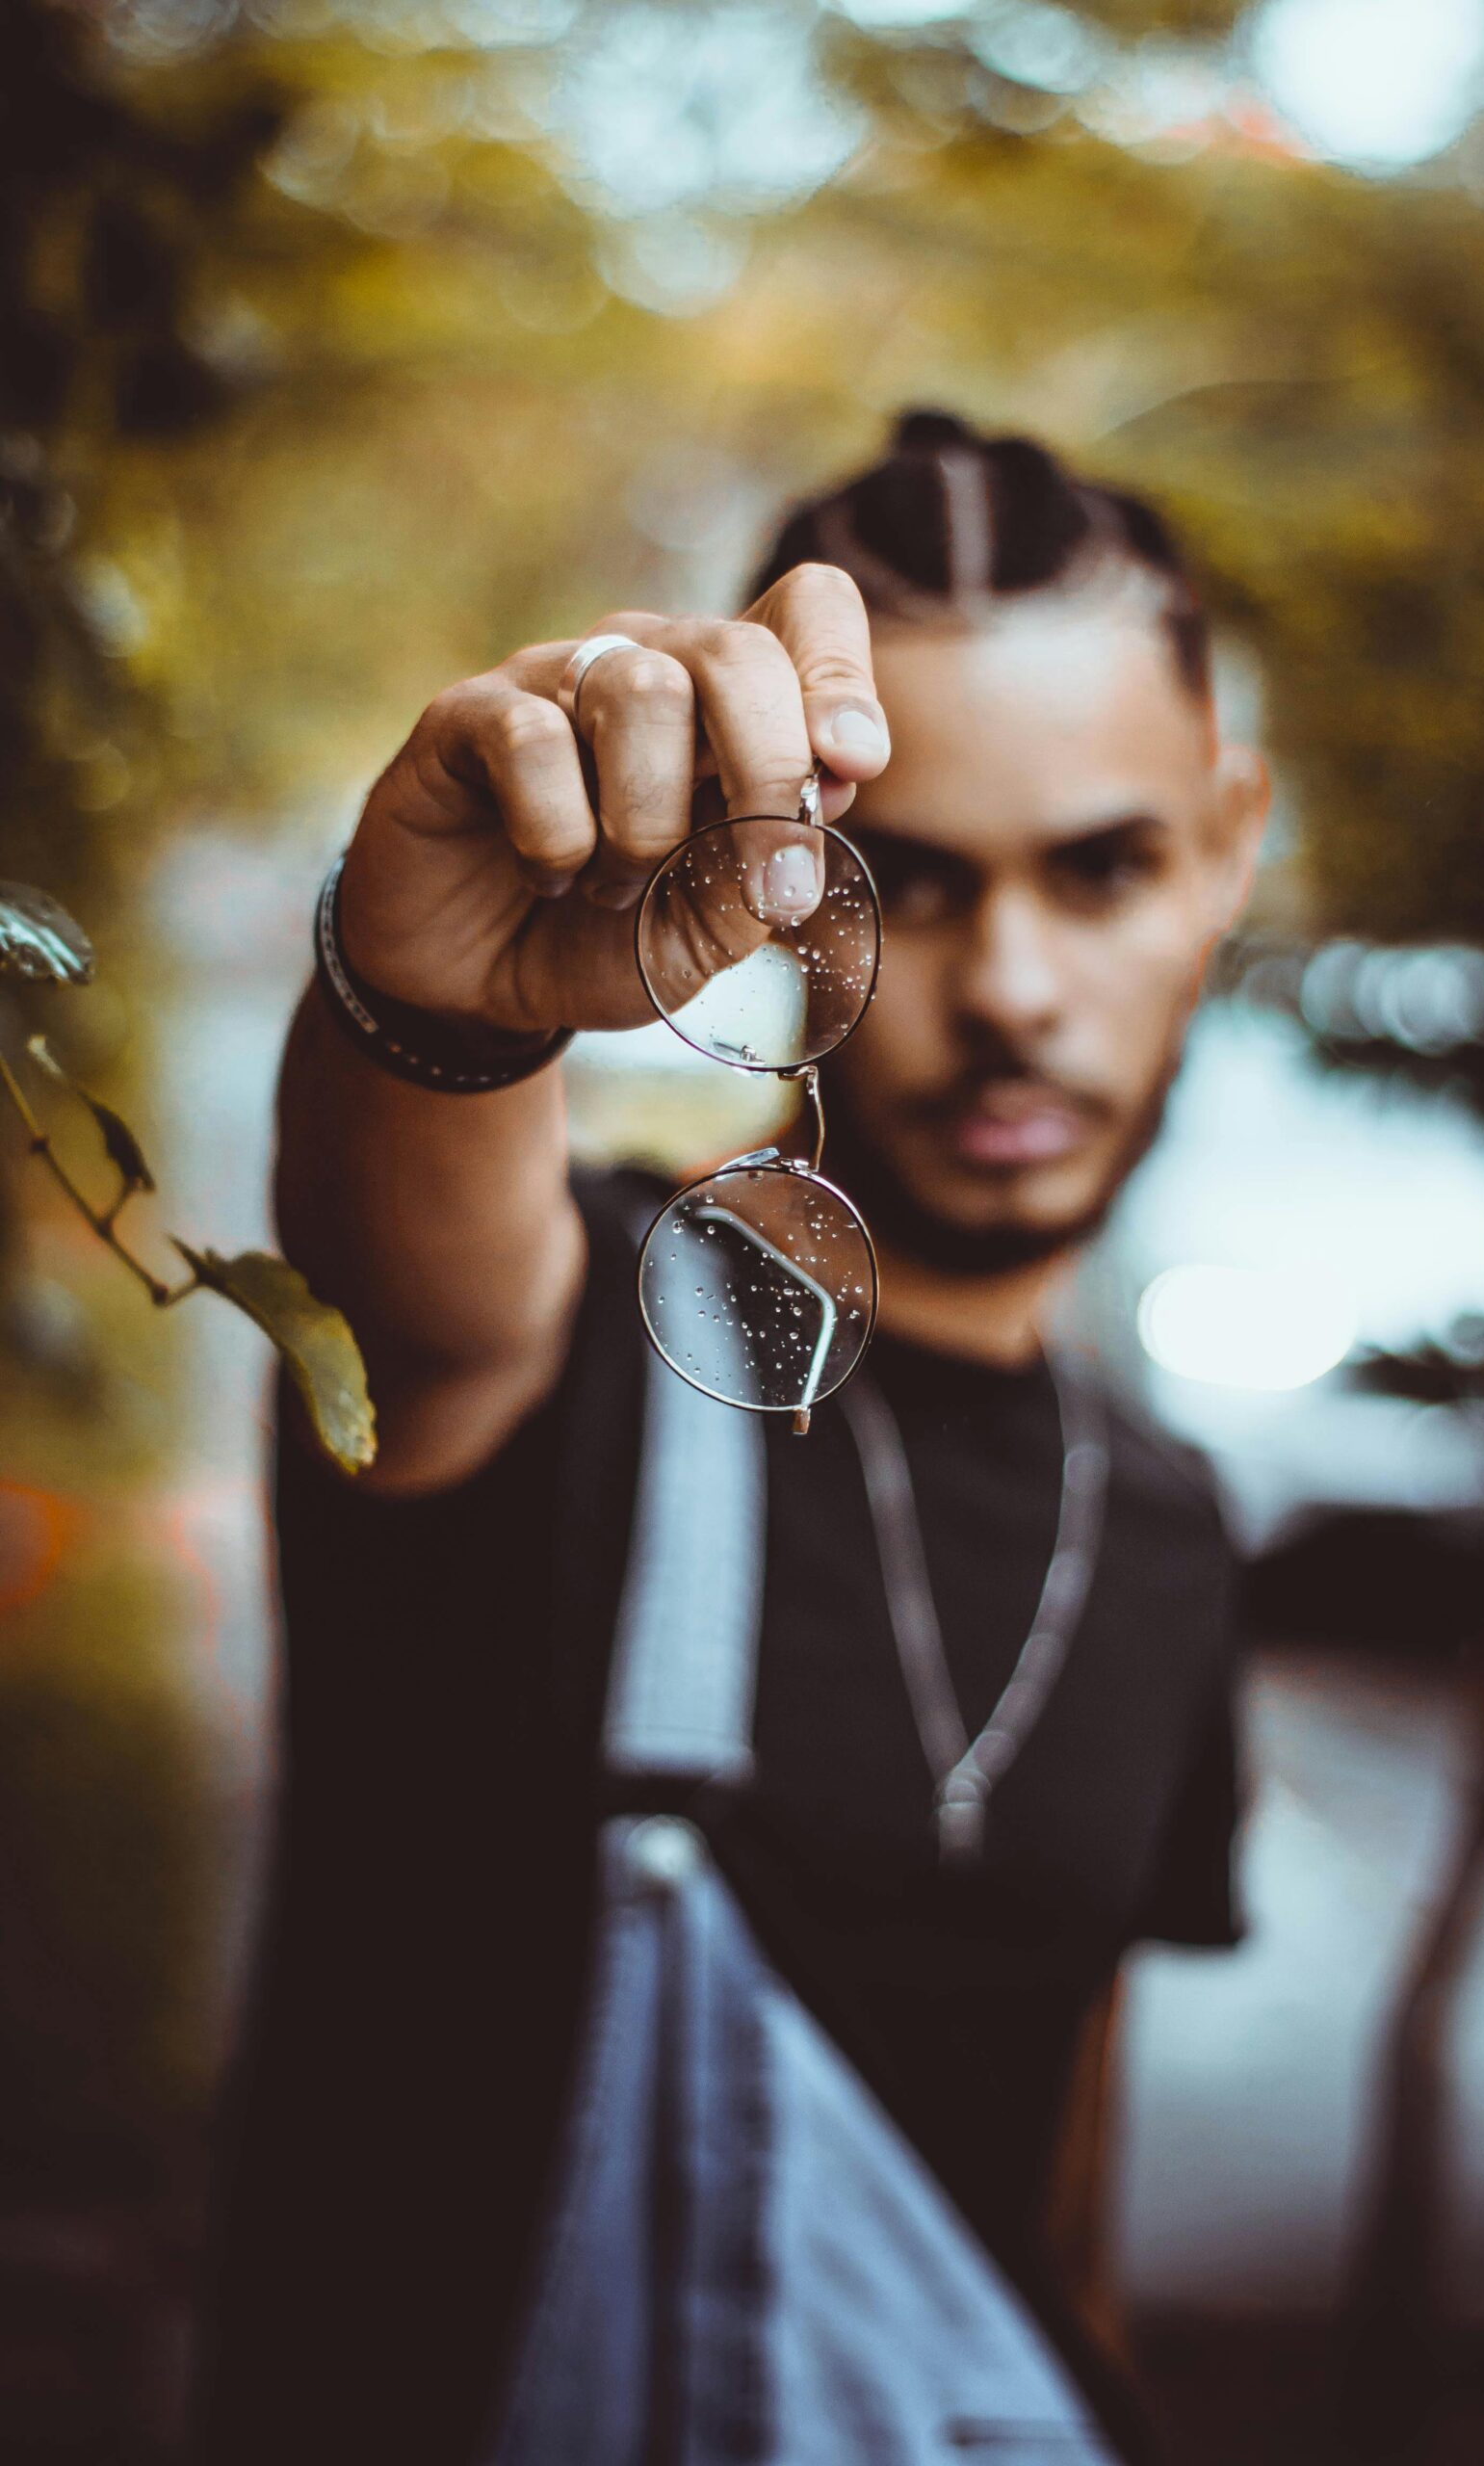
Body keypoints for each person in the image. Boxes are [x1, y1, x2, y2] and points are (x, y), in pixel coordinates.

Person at [194, 410, 1269, 2463]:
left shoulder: (1162, 1527)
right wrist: (435, 996)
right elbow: (416, 1266)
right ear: (787, 891)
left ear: (1225, 842)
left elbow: (1045, 2229)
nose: (1014, 986)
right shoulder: (577, 1335)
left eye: (1104, 863)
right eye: (913, 884)